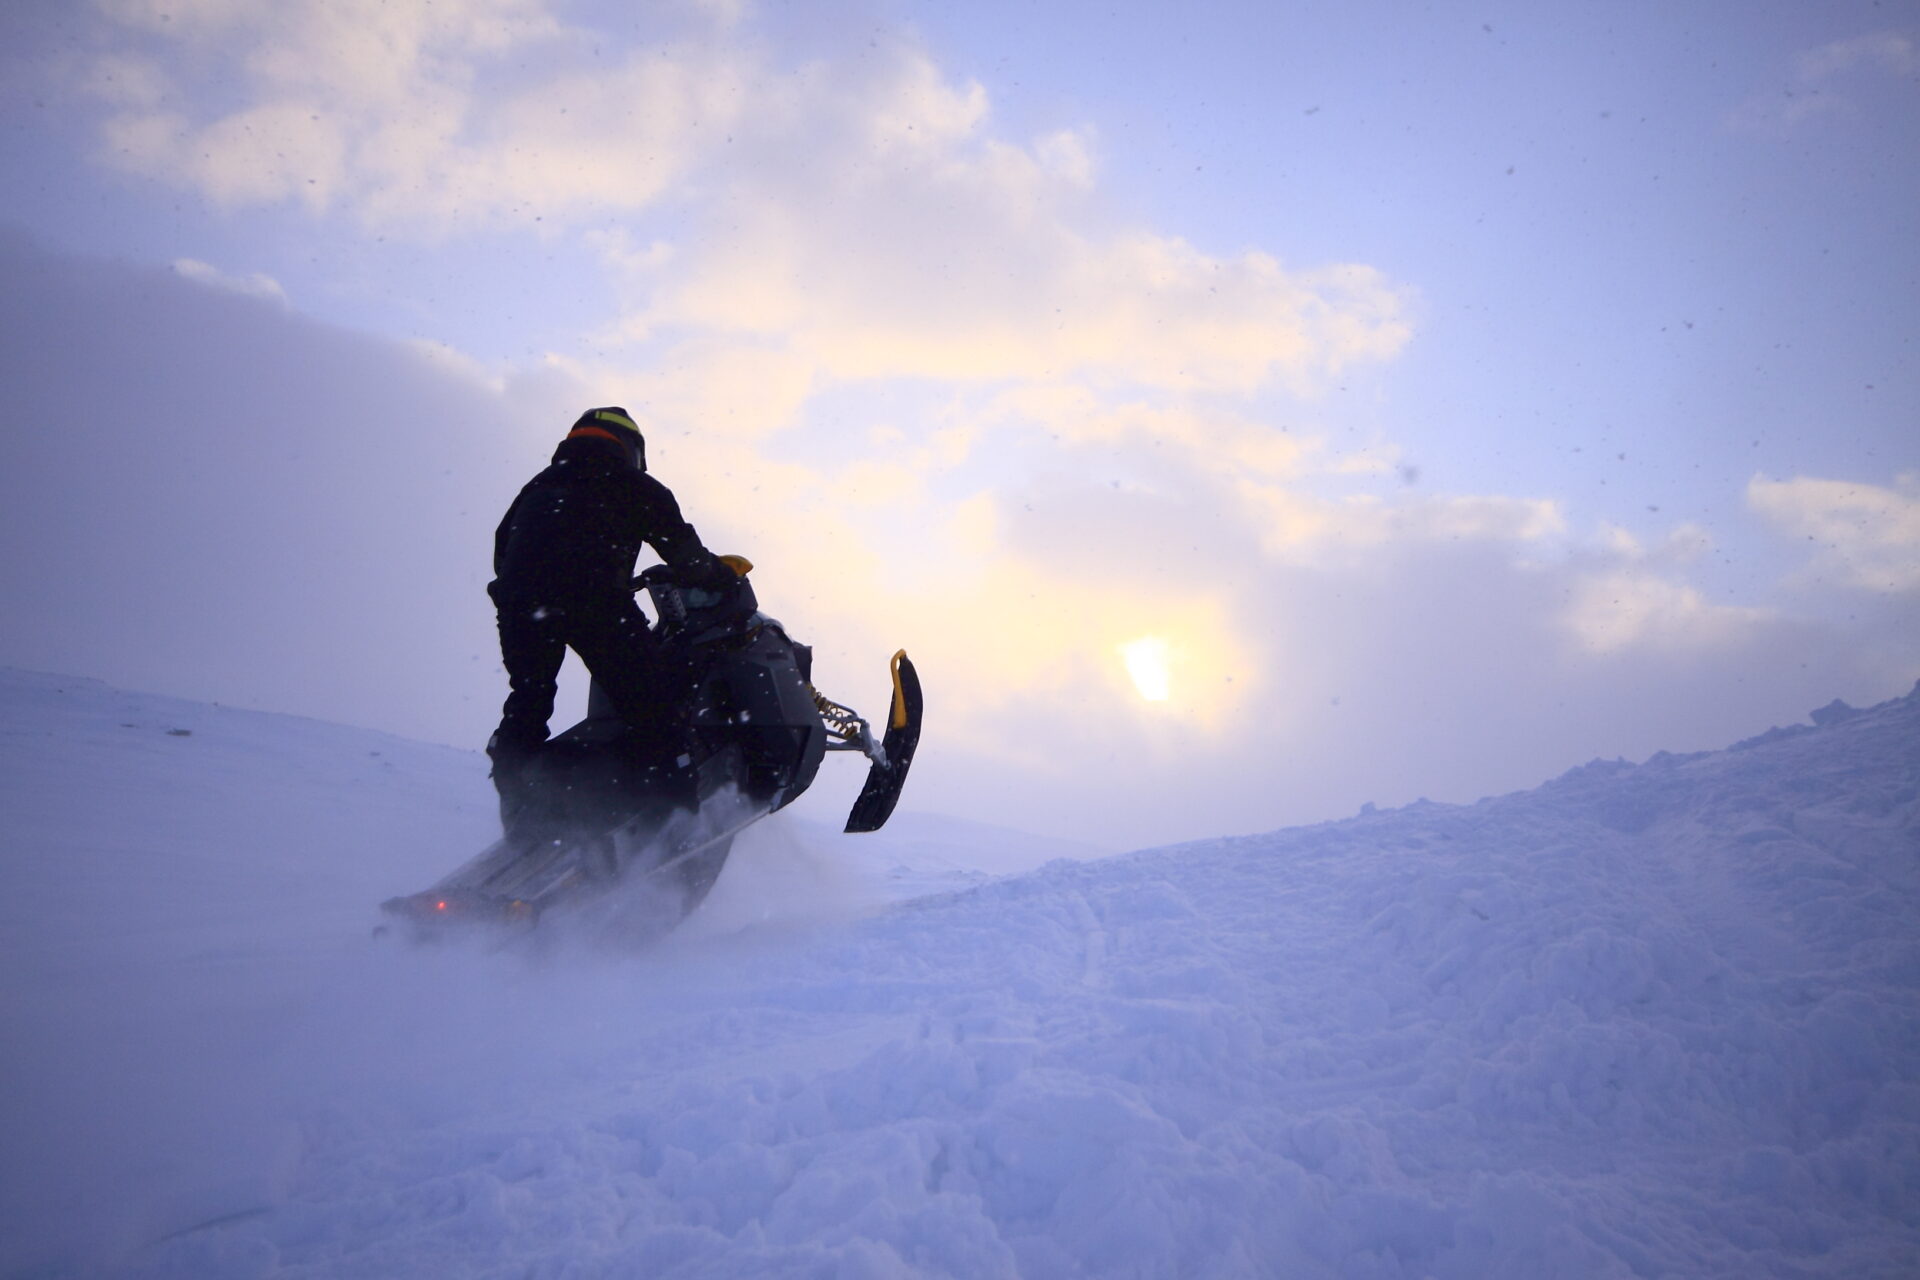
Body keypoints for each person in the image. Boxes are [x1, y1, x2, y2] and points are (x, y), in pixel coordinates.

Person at [486, 406, 731, 813]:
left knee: (529, 697)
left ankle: (520, 793)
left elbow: (501, 550)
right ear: (631, 448)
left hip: (520, 602)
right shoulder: (635, 484)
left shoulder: (536, 486)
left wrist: (534, 586)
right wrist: (719, 574)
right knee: (654, 708)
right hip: (593, 600)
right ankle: (673, 812)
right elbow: (686, 557)